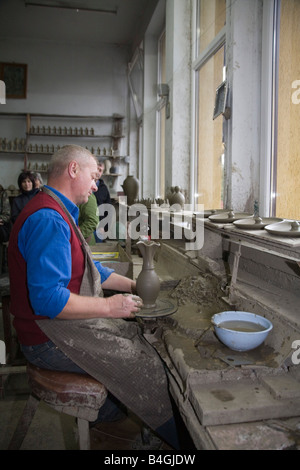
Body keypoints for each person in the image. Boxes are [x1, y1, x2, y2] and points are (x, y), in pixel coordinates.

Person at [8, 144, 180, 449]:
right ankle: (176, 445)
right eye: (93, 175)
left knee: (131, 336)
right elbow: (47, 299)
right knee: (145, 365)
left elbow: (91, 267)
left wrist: (134, 286)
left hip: (55, 326)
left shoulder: (58, 209)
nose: (96, 184)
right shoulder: (48, 218)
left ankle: (112, 423)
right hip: (45, 337)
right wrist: (110, 307)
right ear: (73, 169)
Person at [94, 161, 112, 242]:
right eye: (97, 169)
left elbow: (108, 210)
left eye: (100, 170)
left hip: (99, 227)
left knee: (97, 251)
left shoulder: (104, 189)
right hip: (84, 225)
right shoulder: (84, 186)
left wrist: (104, 228)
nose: (98, 172)